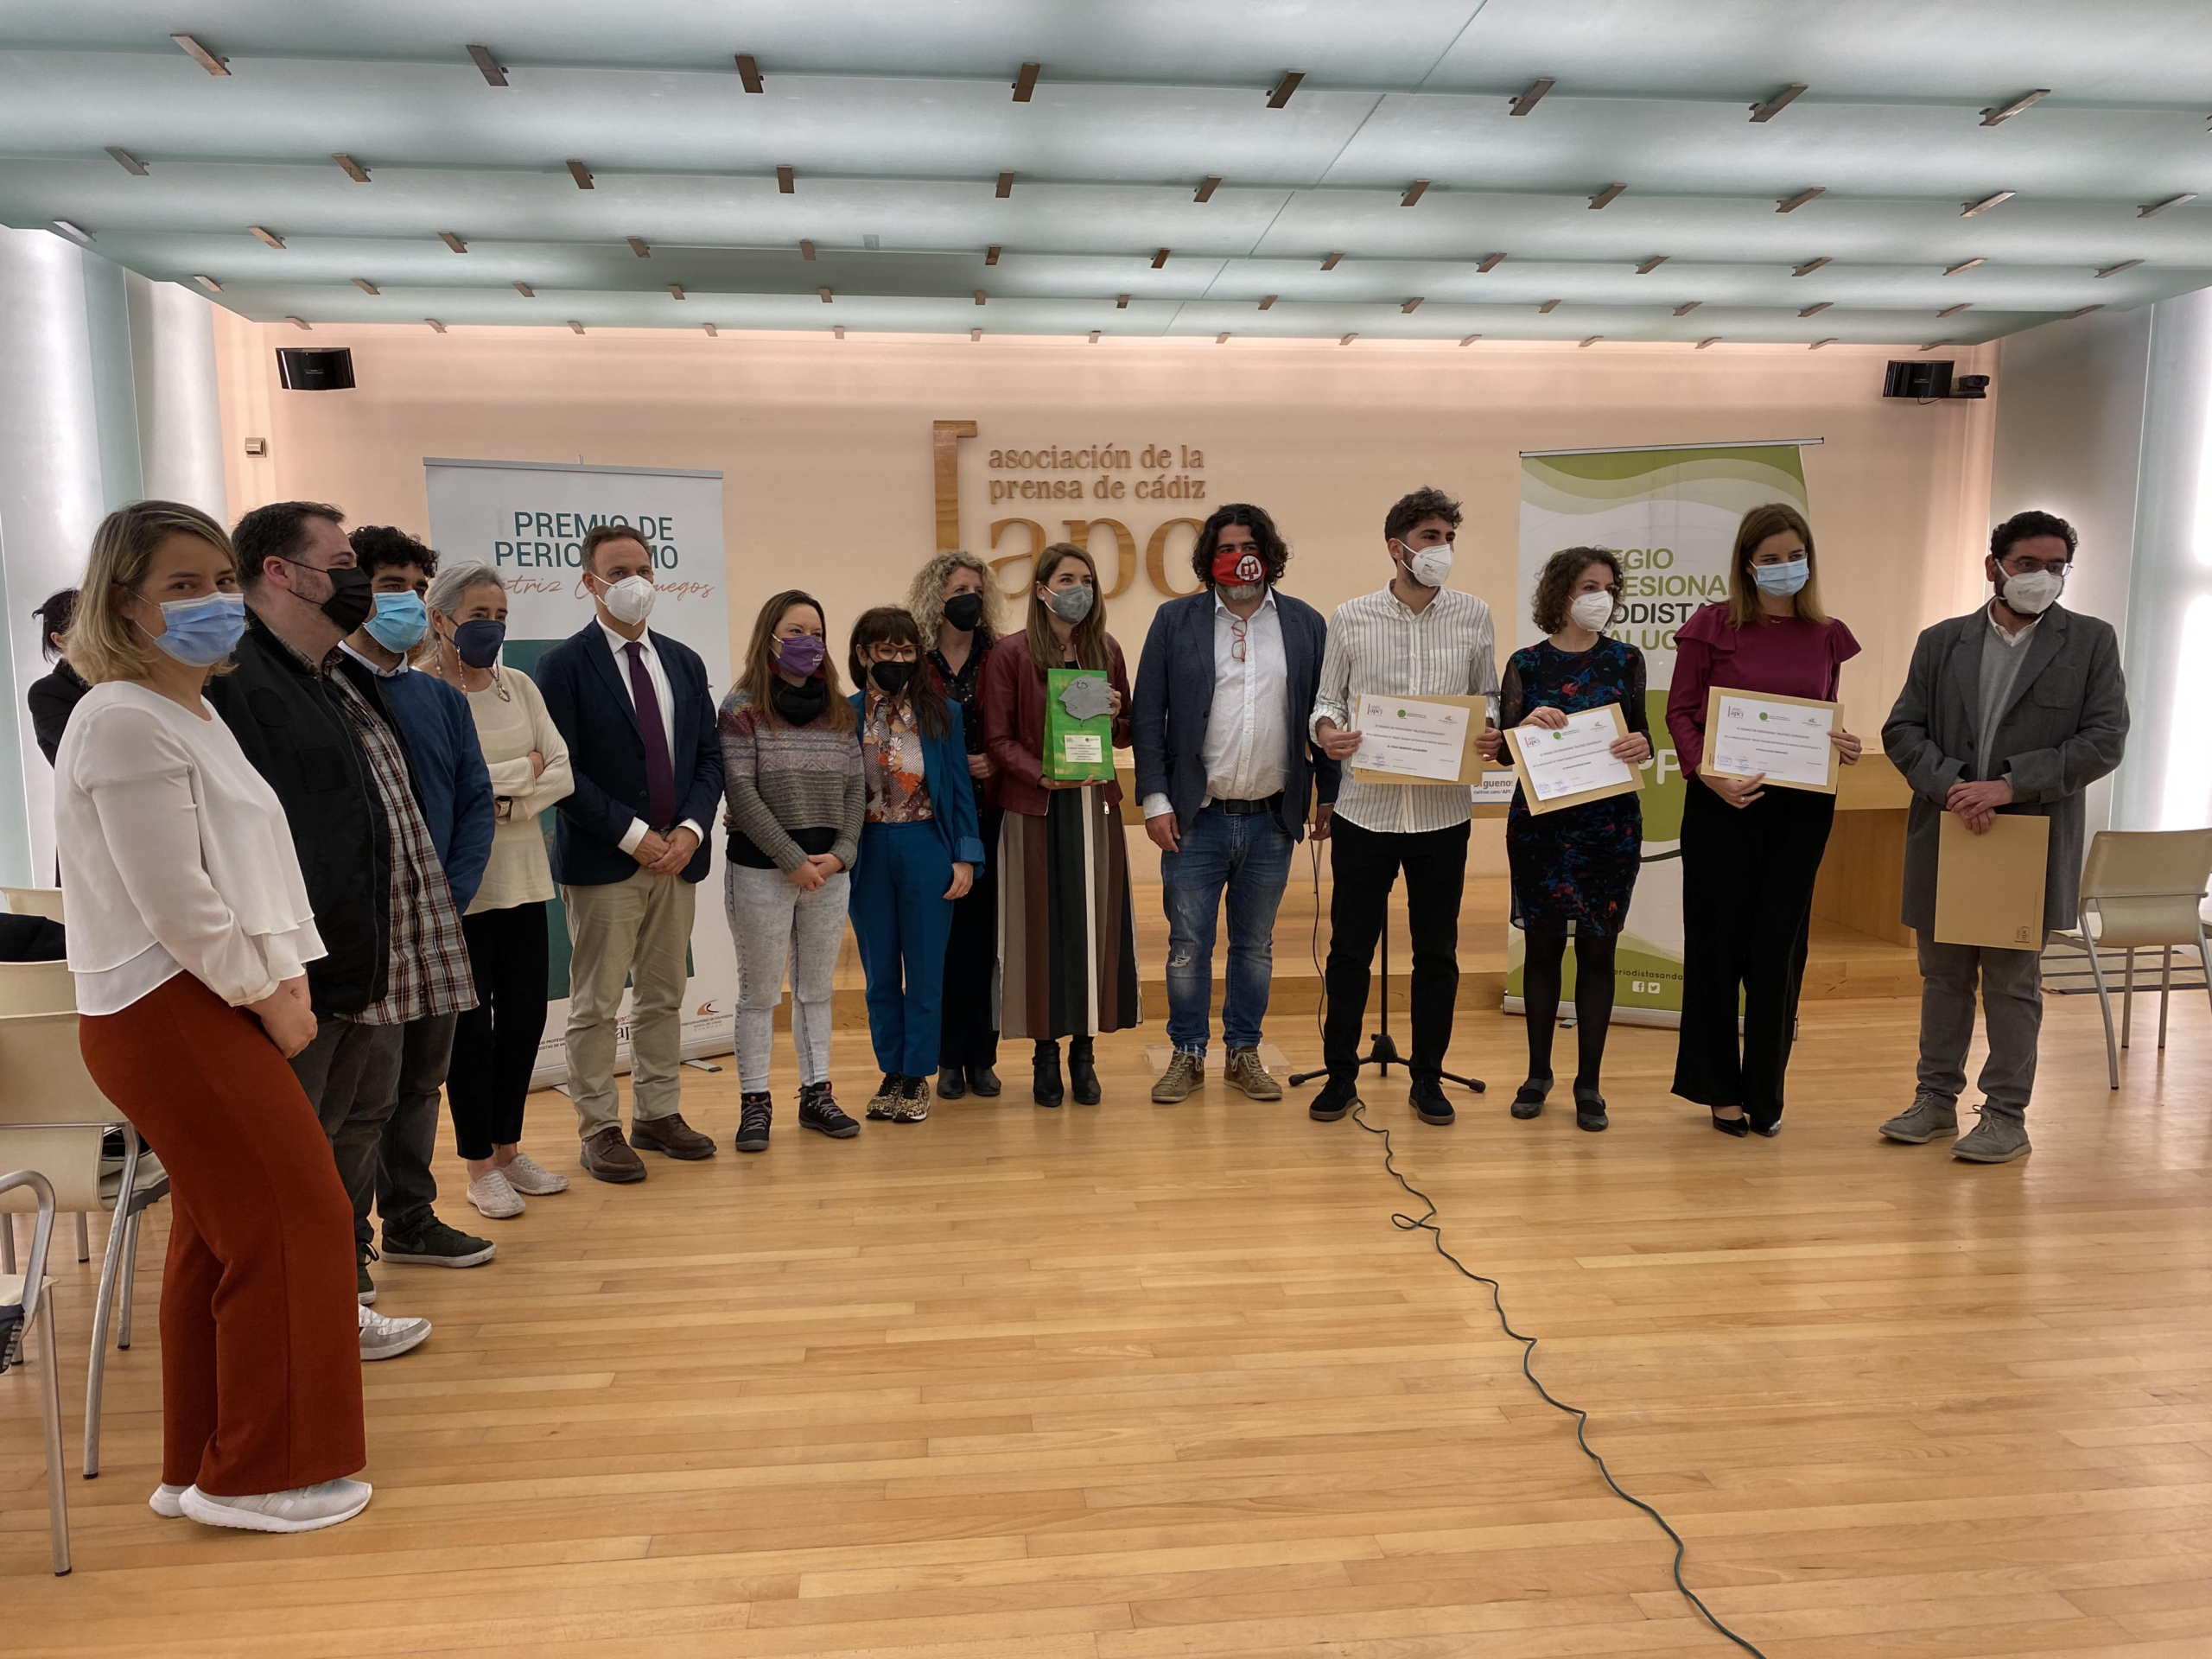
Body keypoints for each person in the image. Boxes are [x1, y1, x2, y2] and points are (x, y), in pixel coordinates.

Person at [58, 499, 369, 1533]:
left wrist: (274, 979)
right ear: (123, 605)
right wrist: (269, 995)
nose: (213, 603)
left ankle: (201, 1462)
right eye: (181, 586)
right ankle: (264, 1473)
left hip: (205, 997)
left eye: (220, 581)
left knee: (217, 1233)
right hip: (173, 1003)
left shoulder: (184, 710)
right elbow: (177, 901)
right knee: (299, 1217)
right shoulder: (121, 717)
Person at [207, 499, 460, 1355]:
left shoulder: (327, 677)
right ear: (280, 572)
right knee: (299, 1152)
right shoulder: (235, 679)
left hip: (367, 961)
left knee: (356, 1127)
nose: (356, 579)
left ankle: (341, 1291)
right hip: (299, 975)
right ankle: (300, 1314)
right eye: (344, 561)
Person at [1878, 510, 2128, 1163]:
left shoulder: (2091, 642)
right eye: (2027, 564)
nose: (2041, 578)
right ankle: (1934, 1101)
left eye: (2055, 567)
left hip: (2029, 838)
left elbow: (2104, 741)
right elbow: (1902, 731)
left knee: (2013, 982)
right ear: (1994, 566)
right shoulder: (1942, 641)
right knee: (1943, 976)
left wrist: (2010, 786)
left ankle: (2005, 1115)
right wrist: (1953, 785)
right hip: (1948, 829)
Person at [1666, 502, 1864, 1138]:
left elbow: (1822, 714)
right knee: (1718, 945)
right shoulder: (1712, 626)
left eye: (1794, 556)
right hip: (1724, 802)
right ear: (1747, 566)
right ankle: (1718, 1088)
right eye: (1771, 558)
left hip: (1800, 810)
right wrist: (1706, 774)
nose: (1785, 568)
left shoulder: (1827, 633)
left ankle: (1766, 1093)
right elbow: (1681, 713)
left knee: (1780, 949)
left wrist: (1844, 745)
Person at [536, 522, 726, 1182]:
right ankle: (600, 1128)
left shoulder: (683, 660)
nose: (633, 583)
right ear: (589, 583)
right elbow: (563, 773)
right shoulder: (562, 667)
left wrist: (691, 830)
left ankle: (657, 1113)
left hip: (677, 858)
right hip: (605, 860)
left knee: (663, 995)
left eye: (642, 569)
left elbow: (708, 757)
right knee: (594, 1005)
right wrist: (632, 834)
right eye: (617, 573)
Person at [1133, 503, 1338, 1106]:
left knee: (1255, 946)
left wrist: (1328, 788)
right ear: (1208, 560)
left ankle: (1244, 1052)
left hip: (1274, 815)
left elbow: (1325, 708)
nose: (1240, 555)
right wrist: (1154, 798)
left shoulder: (1303, 624)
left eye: (1250, 544)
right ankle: (1188, 1054)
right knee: (1188, 944)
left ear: (1270, 554)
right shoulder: (1176, 620)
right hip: (1196, 817)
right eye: (1226, 546)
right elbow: (1149, 717)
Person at [1307, 486, 1498, 1128]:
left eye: (1449, 538)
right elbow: (1325, 701)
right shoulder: (1350, 617)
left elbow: (1488, 698)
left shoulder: (1474, 615)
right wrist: (1327, 733)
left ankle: (1428, 1079)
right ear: (1397, 548)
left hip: (1442, 816)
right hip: (1365, 810)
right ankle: (1339, 1076)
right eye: (1430, 538)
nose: (1442, 549)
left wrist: (1491, 730)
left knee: (1438, 953)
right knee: (1349, 951)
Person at [338, 526, 499, 1267]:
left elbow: (473, 800)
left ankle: (412, 1218)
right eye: (385, 584)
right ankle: (349, 1243)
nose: (398, 600)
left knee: (423, 1080)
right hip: (368, 929)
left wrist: (451, 893)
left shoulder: (439, 698)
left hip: (439, 921)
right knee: (364, 1098)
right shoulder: (327, 690)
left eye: (411, 585)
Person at [1478, 549, 1651, 1133]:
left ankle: (1590, 1084)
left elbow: (1642, 734)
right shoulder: (1526, 663)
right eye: (1587, 585)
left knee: (1600, 950)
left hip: (1610, 825)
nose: (1599, 595)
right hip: (1542, 825)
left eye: (1607, 586)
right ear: (1560, 594)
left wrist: (1641, 747)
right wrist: (1521, 728)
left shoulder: (1627, 659)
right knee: (1545, 948)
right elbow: (1502, 749)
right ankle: (1537, 1073)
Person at [423, 563, 576, 1215]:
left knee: (524, 1019)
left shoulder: (518, 685)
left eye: (500, 616)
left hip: (524, 880)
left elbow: (563, 770)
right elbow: (445, 785)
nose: (492, 627)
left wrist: (495, 794)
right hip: (462, 888)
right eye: (478, 616)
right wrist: (520, 778)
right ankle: (478, 1163)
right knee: (469, 1031)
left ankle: (510, 1150)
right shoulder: (425, 691)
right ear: (441, 619)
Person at [979, 542, 1140, 1106]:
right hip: (1036, 810)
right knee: (1039, 933)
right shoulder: (1011, 654)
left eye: (1088, 579)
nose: (1079, 589)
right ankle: (1045, 1054)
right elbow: (996, 741)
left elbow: (1125, 732)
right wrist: (1041, 776)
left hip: (1095, 809)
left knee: (1092, 931)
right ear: (1042, 589)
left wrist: (1120, 713)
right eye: (1067, 578)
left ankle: (1085, 1055)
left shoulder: (1106, 648)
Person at [717, 589, 863, 1152]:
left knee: (815, 991)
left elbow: (855, 788)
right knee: (759, 995)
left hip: (830, 873)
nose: (807, 642)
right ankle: (755, 1102)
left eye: (815, 632)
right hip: (761, 872)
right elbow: (742, 794)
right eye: (795, 631)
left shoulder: (839, 710)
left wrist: (842, 852)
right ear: (770, 636)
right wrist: (791, 860)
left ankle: (816, 1095)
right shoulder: (741, 707)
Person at [847, 605, 984, 1121]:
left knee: (926, 972)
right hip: (868, 850)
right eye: (886, 650)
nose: (898, 659)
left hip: (927, 845)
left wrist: (966, 857)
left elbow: (959, 791)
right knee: (880, 973)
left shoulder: (941, 714)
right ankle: (890, 1071)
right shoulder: (845, 713)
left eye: (907, 650)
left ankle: (917, 1074)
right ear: (863, 654)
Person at [909, 552, 1004, 1100]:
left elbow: (1021, 723)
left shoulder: (1001, 655)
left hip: (992, 811)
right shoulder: (916, 661)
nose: (967, 596)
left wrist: (996, 757)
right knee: (938, 941)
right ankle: (946, 1055)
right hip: (931, 816)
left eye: (975, 588)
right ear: (934, 596)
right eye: (956, 589)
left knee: (983, 940)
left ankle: (982, 1056)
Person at [27, 588, 90, 765]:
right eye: (88, 623)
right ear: (60, 640)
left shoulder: (132, 674)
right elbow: (92, 751)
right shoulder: (46, 693)